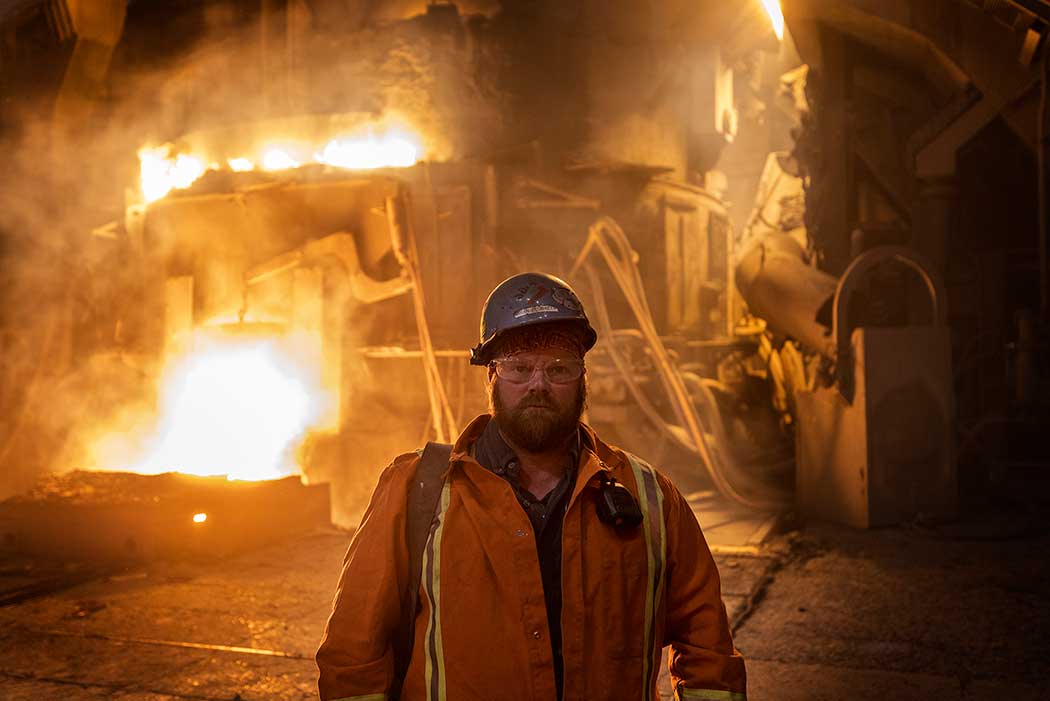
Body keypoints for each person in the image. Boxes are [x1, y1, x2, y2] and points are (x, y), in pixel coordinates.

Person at [316, 272, 747, 701]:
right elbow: (354, 653)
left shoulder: (650, 497)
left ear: (583, 378)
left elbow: (708, 649)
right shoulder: (416, 491)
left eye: (558, 368)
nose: (538, 384)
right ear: (491, 378)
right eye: (519, 367)